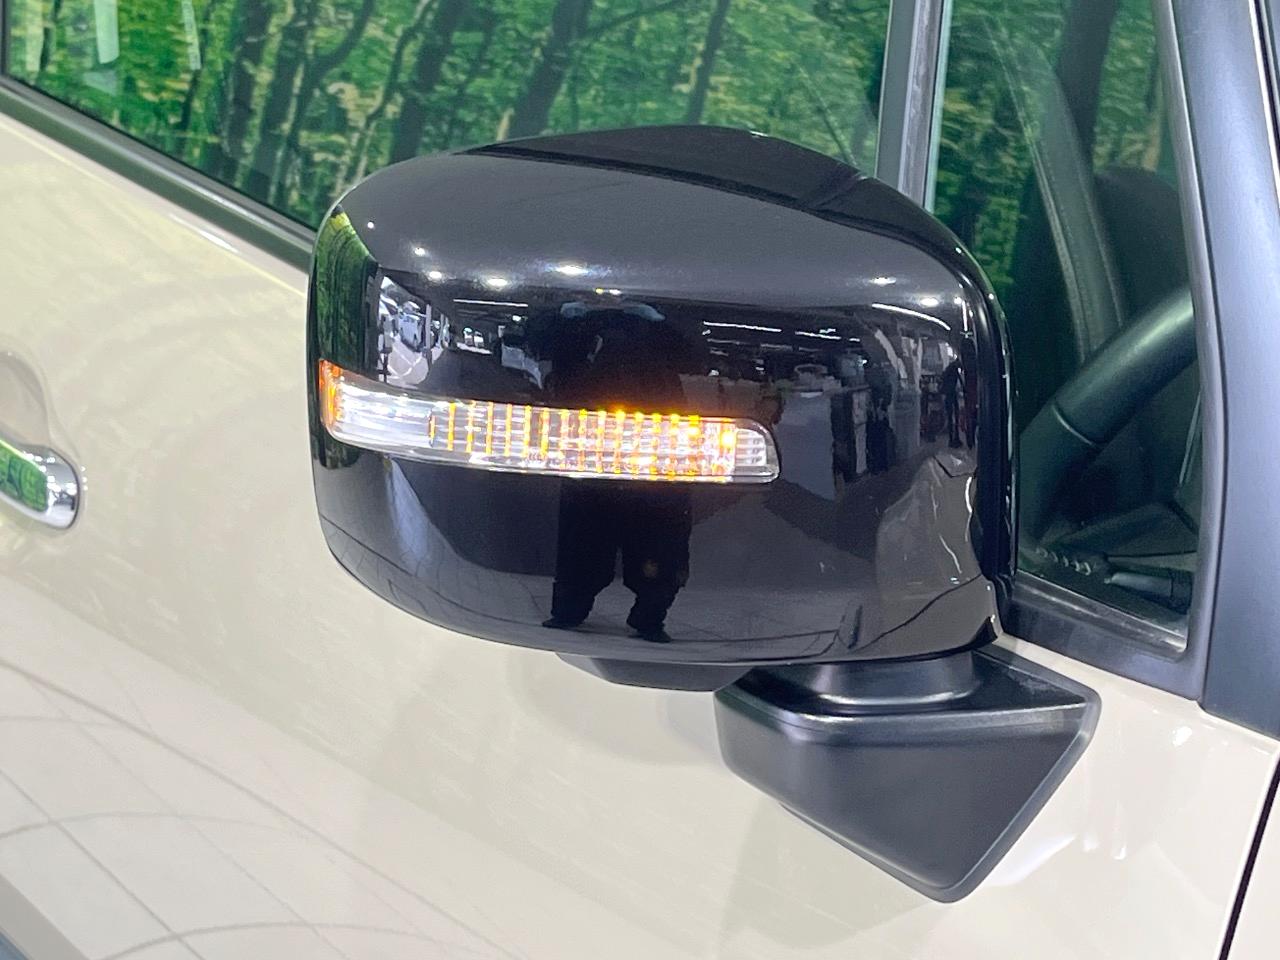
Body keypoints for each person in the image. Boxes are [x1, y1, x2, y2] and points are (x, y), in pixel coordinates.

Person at [539, 301, 692, 643]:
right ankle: (628, 615)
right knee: (591, 537)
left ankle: (638, 615)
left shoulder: (650, 329)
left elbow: (695, 357)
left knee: (646, 538)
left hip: (649, 448)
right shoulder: (586, 327)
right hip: (611, 447)